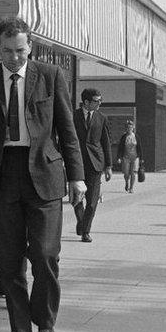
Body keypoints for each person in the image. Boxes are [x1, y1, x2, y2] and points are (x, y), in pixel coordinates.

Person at [0, 17, 85, 332]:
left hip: (44, 177)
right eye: (7, 51)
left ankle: (46, 329)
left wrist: (76, 176)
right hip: (2, 177)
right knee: (9, 266)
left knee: (46, 257)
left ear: (30, 46)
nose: (14, 57)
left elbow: (67, 129)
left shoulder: (50, 76)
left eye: (20, 50)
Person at [72, 88, 112, 243]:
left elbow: (106, 142)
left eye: (100, 100)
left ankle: (85, 231)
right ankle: (81, 221)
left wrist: (108, 166)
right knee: (76, 198)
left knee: (92, 201)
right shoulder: (72, 116)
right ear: (86, 102)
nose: (99, 103)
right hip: (77, 163)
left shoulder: (102, 118)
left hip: (96, 164)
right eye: (96, 100)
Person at [116, 120, 143, 193]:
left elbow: (140, 147)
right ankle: (126, 182)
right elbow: (120, 147)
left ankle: (131, 188)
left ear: (133, 128)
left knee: (133, 173)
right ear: (126, 128)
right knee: (126, 173)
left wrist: (141, 158)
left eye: (131, 127)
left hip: (135, 157)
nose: (129, 129)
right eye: (128, 127)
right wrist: (119, 157)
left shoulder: (136, 136)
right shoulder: (124, 137)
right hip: (126, 157)